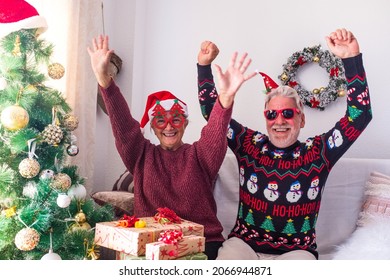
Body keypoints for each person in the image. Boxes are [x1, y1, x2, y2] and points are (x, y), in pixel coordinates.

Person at [197, 28, 372, 260]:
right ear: (266, 118)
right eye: (272, 115)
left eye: (288, 113)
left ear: (301, 118)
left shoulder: (319, 151)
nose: (279, 121)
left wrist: (351, 58)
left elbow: (360, 116)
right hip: (244, 246)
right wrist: (203, 66)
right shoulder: (248, 144)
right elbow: (212, 114)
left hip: (297, 253)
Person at [87, 35, 256, 259]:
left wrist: (224, 99)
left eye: (175, 119)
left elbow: (215, 133)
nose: (168, 127)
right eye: (160, 121)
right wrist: (105, 83)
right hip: (152, 244)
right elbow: (124, 126)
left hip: (201, 244)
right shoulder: (141, 155)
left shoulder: (199, 155)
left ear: (185, 123)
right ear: (153, 128)